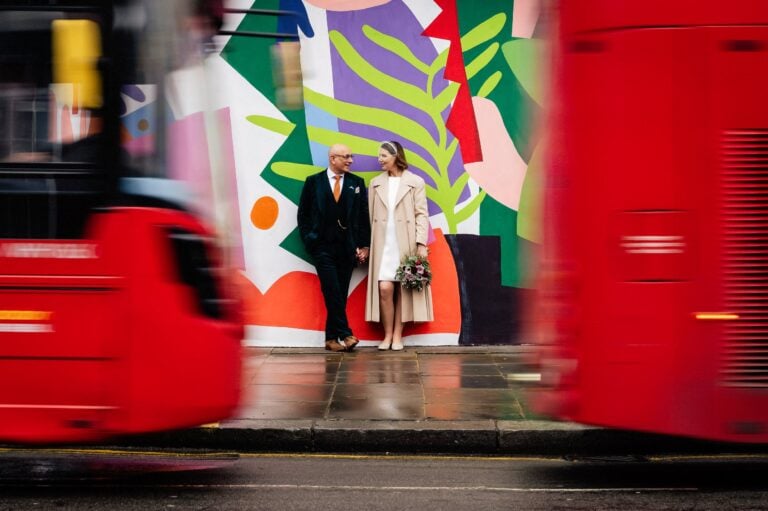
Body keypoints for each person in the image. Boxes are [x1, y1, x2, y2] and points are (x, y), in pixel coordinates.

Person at [298, 143, 370, 352]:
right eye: (346, 157)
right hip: (322, 248)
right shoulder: (313, 182)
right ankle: (346, 334)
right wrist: (310, 239)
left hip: (347, 249)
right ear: (333, 159)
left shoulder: (357, 183)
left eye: (351, 156)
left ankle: (331, 340)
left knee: (338, 294)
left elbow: (362, 216)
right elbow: (303, 215)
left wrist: (364, 245)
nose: (350, 160)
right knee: (331, 290)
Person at [365, 141, 433, 350]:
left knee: (404, 288)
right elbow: (369, 215)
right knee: (385, 288)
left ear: (396, 156)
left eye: (384, 155)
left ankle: (397, 336)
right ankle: (386, 335)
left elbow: (422, 213)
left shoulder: (415, 182)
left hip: (406, 241)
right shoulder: (375, 183)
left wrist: (421, 243)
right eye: (379, 155)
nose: (380, 159)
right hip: (383, 242)